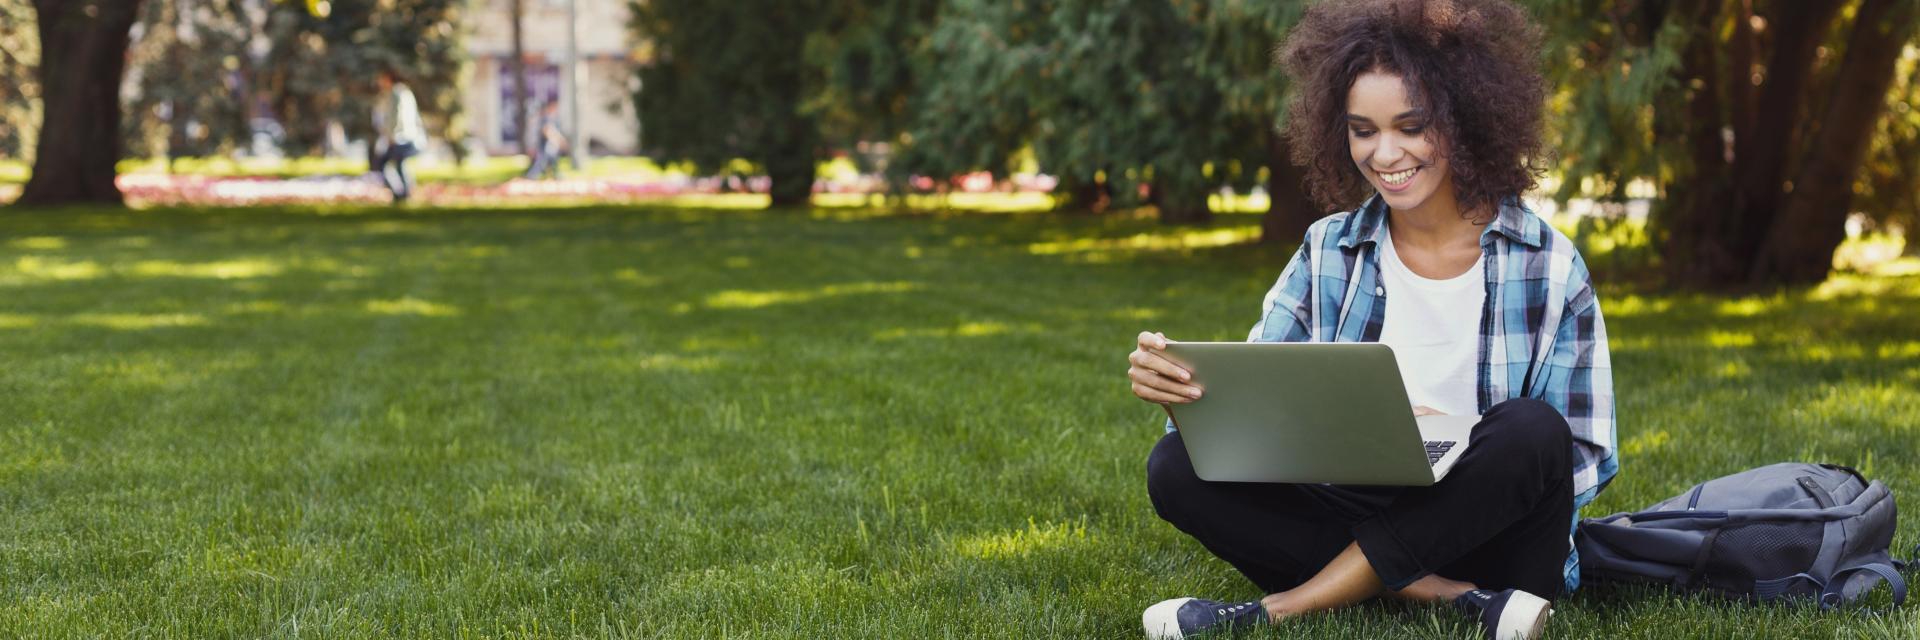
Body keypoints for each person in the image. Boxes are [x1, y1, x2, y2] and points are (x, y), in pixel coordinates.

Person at [1129, 1, 1618, 639]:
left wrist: (1460, 450)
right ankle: (1452, 600)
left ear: (1466, 118)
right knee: (1174, 466)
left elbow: (1579, 454)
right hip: (1357, 502)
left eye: (1412, 126)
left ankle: (1279, 609)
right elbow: (1256, 407)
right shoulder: (1327, 249)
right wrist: (1185, 398)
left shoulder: (1550, 265)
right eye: (1363, 130)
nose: (1385, 154)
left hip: (1496, 532)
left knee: (1532, 429)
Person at [373, 70, 426, 203]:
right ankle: (404, 194)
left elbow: (394, 116)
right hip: (406, 135)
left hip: (400, 137)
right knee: (399, 164)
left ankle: (401, 194)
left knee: (383, 163)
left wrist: (391, 136)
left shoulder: (395, 94)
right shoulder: (404, 92)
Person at [523, 100, 570, 180]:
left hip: (548, 148)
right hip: (543, 147)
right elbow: (547, 131)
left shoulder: (551, 119)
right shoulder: (545, 118)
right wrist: (559, 141)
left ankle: (554, 175)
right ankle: (531, 177)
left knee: (551, 161)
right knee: (541, 163)